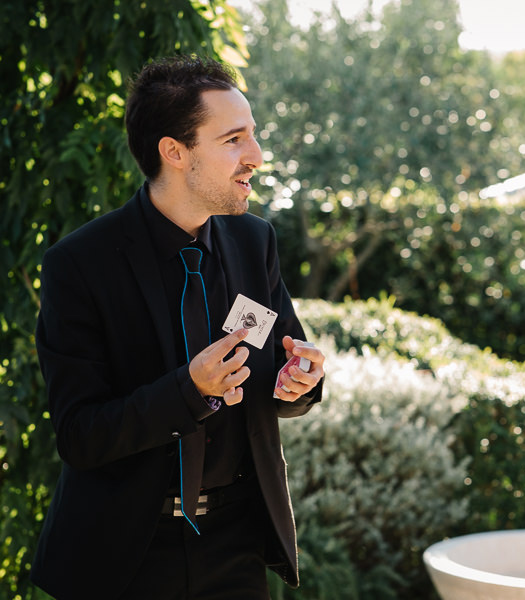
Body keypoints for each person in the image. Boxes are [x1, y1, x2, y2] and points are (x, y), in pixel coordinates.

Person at [30, 55, 326, 599]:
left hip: (237, 547)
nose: (256, 157)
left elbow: (281, 369)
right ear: (174, 151)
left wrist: (297, 382)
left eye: (252, 136)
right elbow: (80, 436)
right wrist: (189, 391)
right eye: (234, 139)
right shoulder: (79, 264)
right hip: (123, 557)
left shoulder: (255, 243)